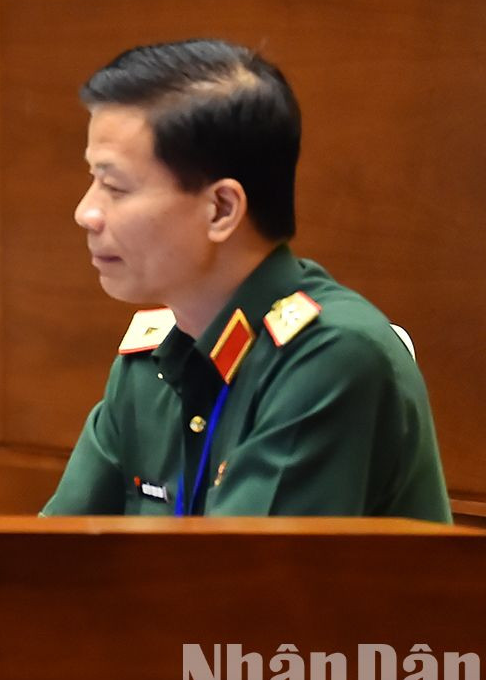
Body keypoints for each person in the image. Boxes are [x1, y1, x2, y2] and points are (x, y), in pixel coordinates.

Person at [44, 40, 450, 520]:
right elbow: (52, 558)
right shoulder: (151, 362)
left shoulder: (331, 359)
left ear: (221, 209)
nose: (86, 212)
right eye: (92, 180)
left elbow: (242, 586)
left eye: (115, 187)